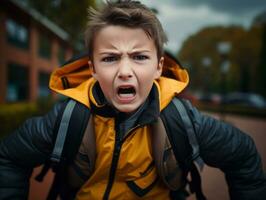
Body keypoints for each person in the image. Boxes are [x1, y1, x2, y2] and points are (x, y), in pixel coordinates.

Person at [0, 0, 266, 199]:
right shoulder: (69, 117)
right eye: (110, 58)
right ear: (92, 68)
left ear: (159, 67)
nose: (125, 71)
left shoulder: (182, 120)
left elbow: (242, 154)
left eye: (139, 57)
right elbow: (10, 156)